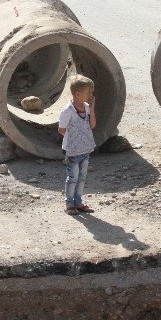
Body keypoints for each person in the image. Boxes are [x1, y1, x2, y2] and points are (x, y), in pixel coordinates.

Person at [58, 74, 97, 216]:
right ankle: (69, 204)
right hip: (73, 151)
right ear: (78, 94)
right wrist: (74, 138)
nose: (91, 95)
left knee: (82, 177)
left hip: (85, 149)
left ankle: (78, 202)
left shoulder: (86, 108)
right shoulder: (67, 111)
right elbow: (62, 130)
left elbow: (92, 125)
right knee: (72, 177)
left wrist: (92, 110)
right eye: (89, 92)